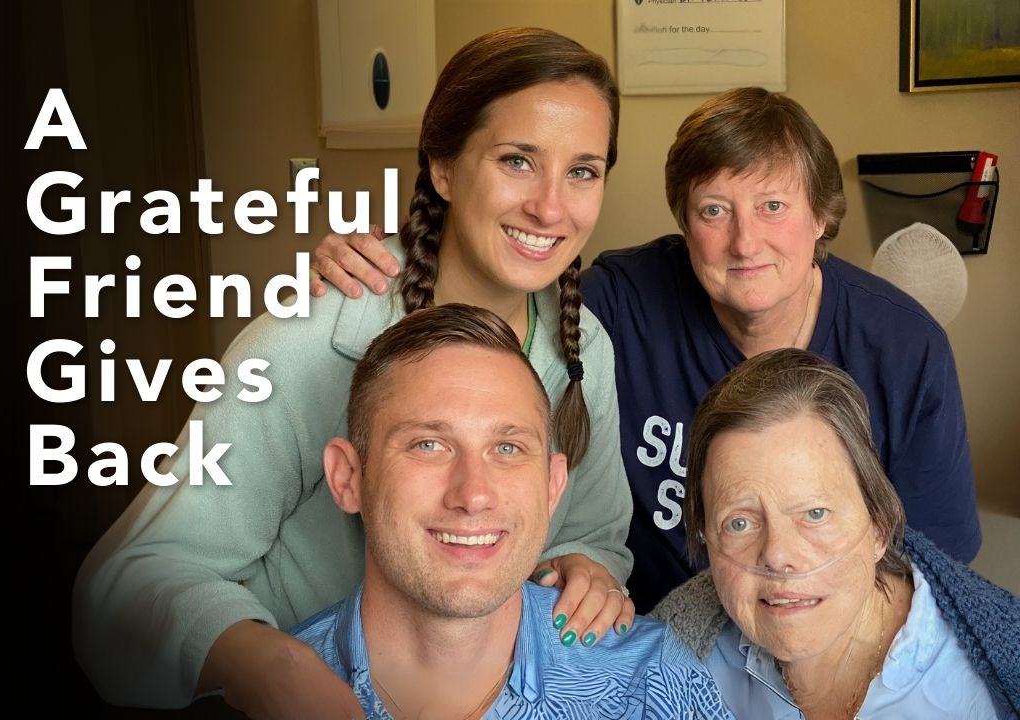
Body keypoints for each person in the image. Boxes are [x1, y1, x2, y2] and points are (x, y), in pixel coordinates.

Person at [73, 27, 635, 717]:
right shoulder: (310, 340)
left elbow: (593, 531)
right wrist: (265, 663)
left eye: (582, 170)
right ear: (444, 167)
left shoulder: (586, 349)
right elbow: (127, 587)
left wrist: (586, 567)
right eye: (518, 160)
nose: (550, 207)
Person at [307, 86, 981, 612]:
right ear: (685, 224)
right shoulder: (621, 302)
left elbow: (933, 569)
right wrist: (379, 268)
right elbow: (489, 315)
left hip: (822, 627)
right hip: (648, 629)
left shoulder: (904, 347)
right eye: (714, 211)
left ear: (823, 215)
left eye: (773, 206)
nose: (745, 242)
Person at [293, 302, 734, 719]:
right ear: (347, 477)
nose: (473, 494)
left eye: (507, 448)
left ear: (552, 486)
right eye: (428, 444)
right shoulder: (254, 698)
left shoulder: (653, 687)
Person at [652, 348, 1018, 720]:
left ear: (879, 525)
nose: (777, 556)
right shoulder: (670, 660)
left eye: (815, 513)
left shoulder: (976, 693)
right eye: (739, 523)